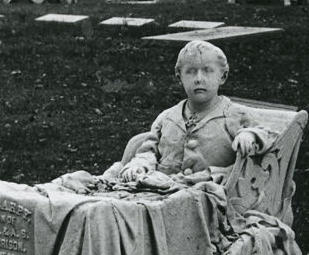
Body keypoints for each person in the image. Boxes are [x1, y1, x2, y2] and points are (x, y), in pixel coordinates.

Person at [107, 40, 271, 189]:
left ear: (223, 76)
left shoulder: (232, 114)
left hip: (206, 194)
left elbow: (266, 133)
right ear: (180, 77)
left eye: (208, 71)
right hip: (159, 189)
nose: (199, 79)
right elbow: (148, 150)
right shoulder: (168, 117)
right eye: (191, 72)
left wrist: (249, 135)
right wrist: (140, 165)